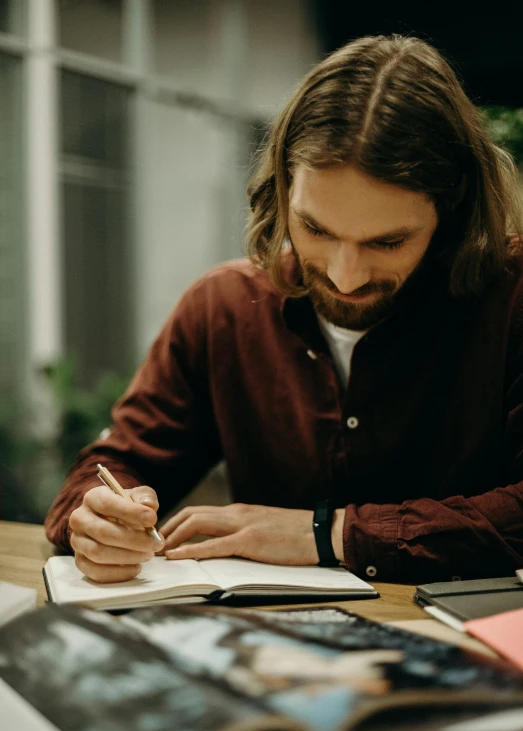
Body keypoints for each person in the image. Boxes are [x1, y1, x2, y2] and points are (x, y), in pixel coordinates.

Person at [45, 34, 523, 585]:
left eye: (387, 242)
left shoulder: (512, 300)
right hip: (272, 657)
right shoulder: (224, 308)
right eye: (316, 229)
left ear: (455, 202)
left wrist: (332, 533)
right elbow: (116, 464)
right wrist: (96, 516)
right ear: (282, 189)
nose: (346, 276)